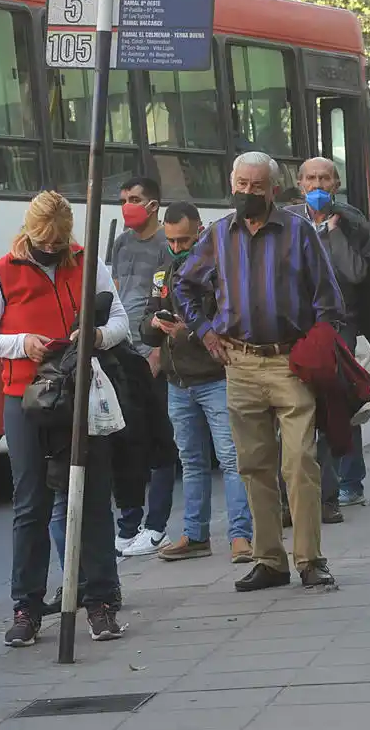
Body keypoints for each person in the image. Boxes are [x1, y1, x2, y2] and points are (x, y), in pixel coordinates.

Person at [0, 191, 129, 645]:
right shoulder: (1, 273)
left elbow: (121, 322)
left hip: (79, 394)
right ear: (29, 232)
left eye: (59, 242)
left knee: (92, 495)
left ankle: (100, 599)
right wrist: (20, 343)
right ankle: (27, 607)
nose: (52, 249)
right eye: (44, 241)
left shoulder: (87, 261)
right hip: (26, 397)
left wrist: (95, 334)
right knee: (31, 503)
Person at [175, 151, 345, 592]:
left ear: (273, 189)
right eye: (241, 185)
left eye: (256, 186)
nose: (248, 193)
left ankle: (310, 559)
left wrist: (317, 344)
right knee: (252, 464)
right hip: (240, 364)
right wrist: (206, 334)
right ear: (232, 186)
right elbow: (184, 284)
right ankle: (269, 560)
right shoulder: (218, 235)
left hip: (289, 361)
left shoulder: (298, 231)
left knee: (300, 463)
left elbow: (328, 297)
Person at [139, 200, 253, 564]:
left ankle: (241, 536)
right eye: (171, 241)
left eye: (184, 240)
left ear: (200, 231)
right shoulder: (163, 271)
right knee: (190, 461)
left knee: (232, 458)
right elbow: (144, 324)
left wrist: (189, 332)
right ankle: (195, 534)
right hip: (178, 381)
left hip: (214, 376)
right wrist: (155, 326)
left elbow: (230, 321)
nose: (177, 248)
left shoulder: (218, 268)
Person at [286, 157, 367, 514]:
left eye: (325, 179)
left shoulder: (350, 221)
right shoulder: (287, 220)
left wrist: (334, 232)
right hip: (299, 326)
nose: (317, 186)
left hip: (338, 324)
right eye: (311, 179)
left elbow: (357, 272)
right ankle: (319, 489)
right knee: (303, 403)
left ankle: (349, 482)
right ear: (300, 183)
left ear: (336, 184)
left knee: (340, 398)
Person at [111, 176, 176, 556]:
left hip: (154, 356)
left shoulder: (166, 244)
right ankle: (129, 525)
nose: (127, 205)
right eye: (123, 199)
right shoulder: (121, 243)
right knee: (127, 443)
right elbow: (117, 291)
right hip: (125, 354)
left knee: (160, 443)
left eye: (135, 199)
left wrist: (157, 353)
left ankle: (156, 527)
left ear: (153, 205)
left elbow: (170, 302)